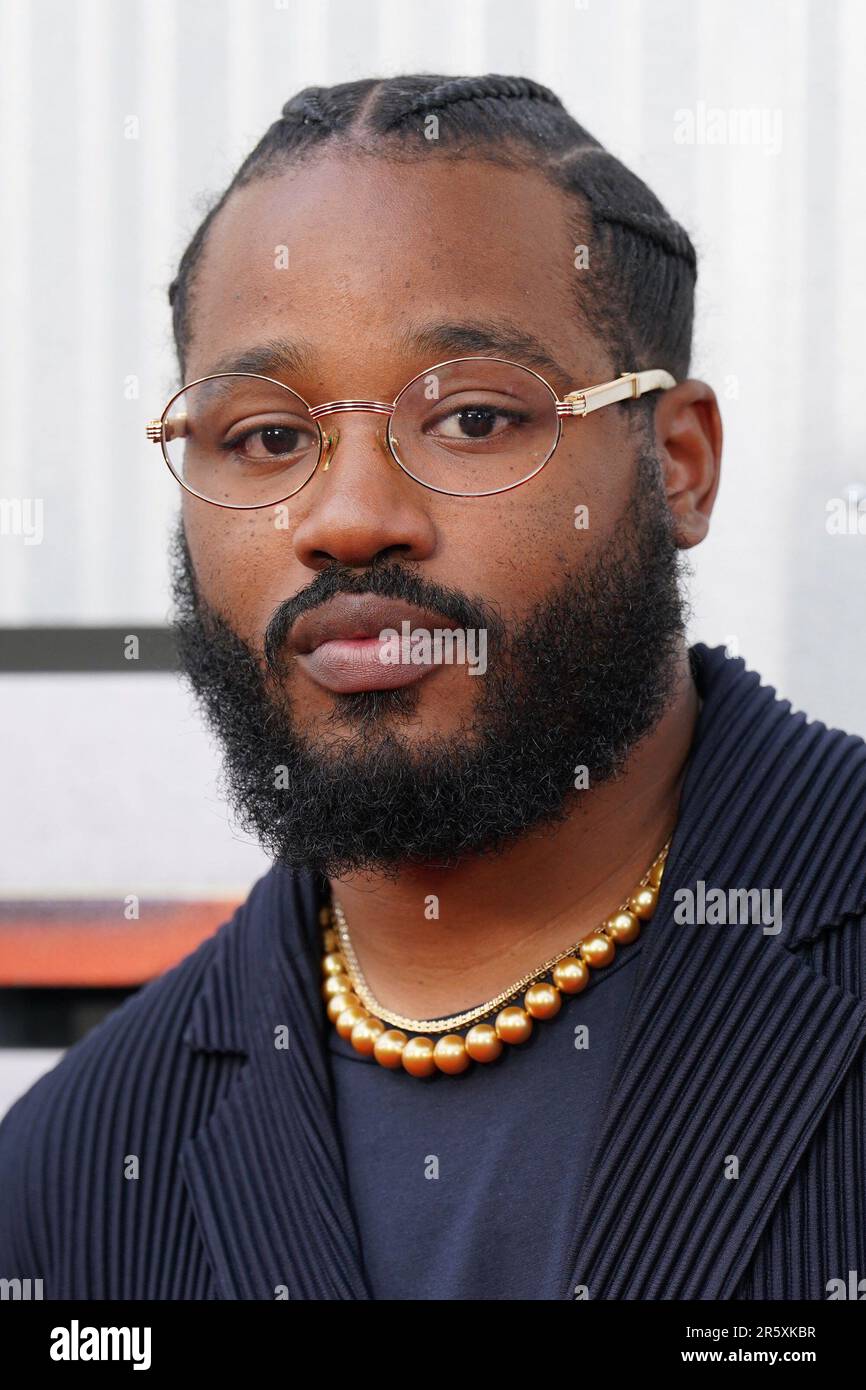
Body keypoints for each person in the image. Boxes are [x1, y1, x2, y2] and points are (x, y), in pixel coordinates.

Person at [2, 72, 865, 1302]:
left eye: (468, 418)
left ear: (675, 466)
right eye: (267, 437)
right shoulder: (72, 1177)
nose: (348, 520)